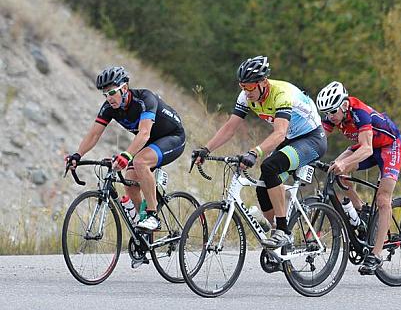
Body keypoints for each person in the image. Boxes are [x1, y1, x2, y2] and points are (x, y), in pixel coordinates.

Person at [193, 56, 327, 249]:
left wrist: (255, 152)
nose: (246, 92)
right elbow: (230, 128)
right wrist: (205, 149)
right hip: (290, 137)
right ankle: (276, 231)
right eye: (242, 86)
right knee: (263, 185)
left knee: (270, 166)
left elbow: (279, 133)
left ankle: (283, 232)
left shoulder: (281, 94)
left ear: (263, 83)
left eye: (249, 87)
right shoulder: (246, 96)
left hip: (312, 138)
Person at [65, 66, 186, 231]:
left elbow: (144, 133)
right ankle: (143, 231)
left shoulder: (145, 99)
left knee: (140, 162)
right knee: (129, 183)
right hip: (150, 142)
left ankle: (153, 216)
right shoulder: (109, 108)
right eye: (105, 94)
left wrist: (126, 155)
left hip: (172, 137)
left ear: (125, 88)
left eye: (112, 92)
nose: (109, 98)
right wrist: (77, 155)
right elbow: (94, 135)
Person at [316, 81, 401, 275]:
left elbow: (367, 148)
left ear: (344, 105)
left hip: (389, 147)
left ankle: (377, 254)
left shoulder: (360, 113)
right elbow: (318, 138)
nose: (330, 118)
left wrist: (345, 164)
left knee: (382, 199)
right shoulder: (334, 115)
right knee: (335, 171)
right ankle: (361, 209)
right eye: (326, 114)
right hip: (369, 146)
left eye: (332, 112)